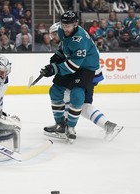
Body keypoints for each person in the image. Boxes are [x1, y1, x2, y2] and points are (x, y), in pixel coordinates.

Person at [41, 11, 123, 143]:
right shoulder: (63, 31)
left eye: (69, 26)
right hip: (77, 66)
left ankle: (71, 127)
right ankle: (62, 125)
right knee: (57, 91)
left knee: (78, 99)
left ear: (75, 24)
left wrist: (54, 68)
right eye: (64, 25)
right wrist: (58, 55)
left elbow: (73, 66)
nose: (65, 29)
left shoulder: (79, 40)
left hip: (87, 69)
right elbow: (65, 47)